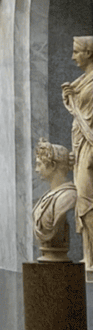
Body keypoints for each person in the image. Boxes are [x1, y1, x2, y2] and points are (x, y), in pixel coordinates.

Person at [62, 35, 93, 270]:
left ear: (89, 52)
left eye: (76, 52)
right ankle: (88, 255)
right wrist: (70, 97)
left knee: (86, 199)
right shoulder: (82, 80)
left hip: (90, 145)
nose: (73, 57)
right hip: (80, 143)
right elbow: (79, 112)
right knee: (83, 198)